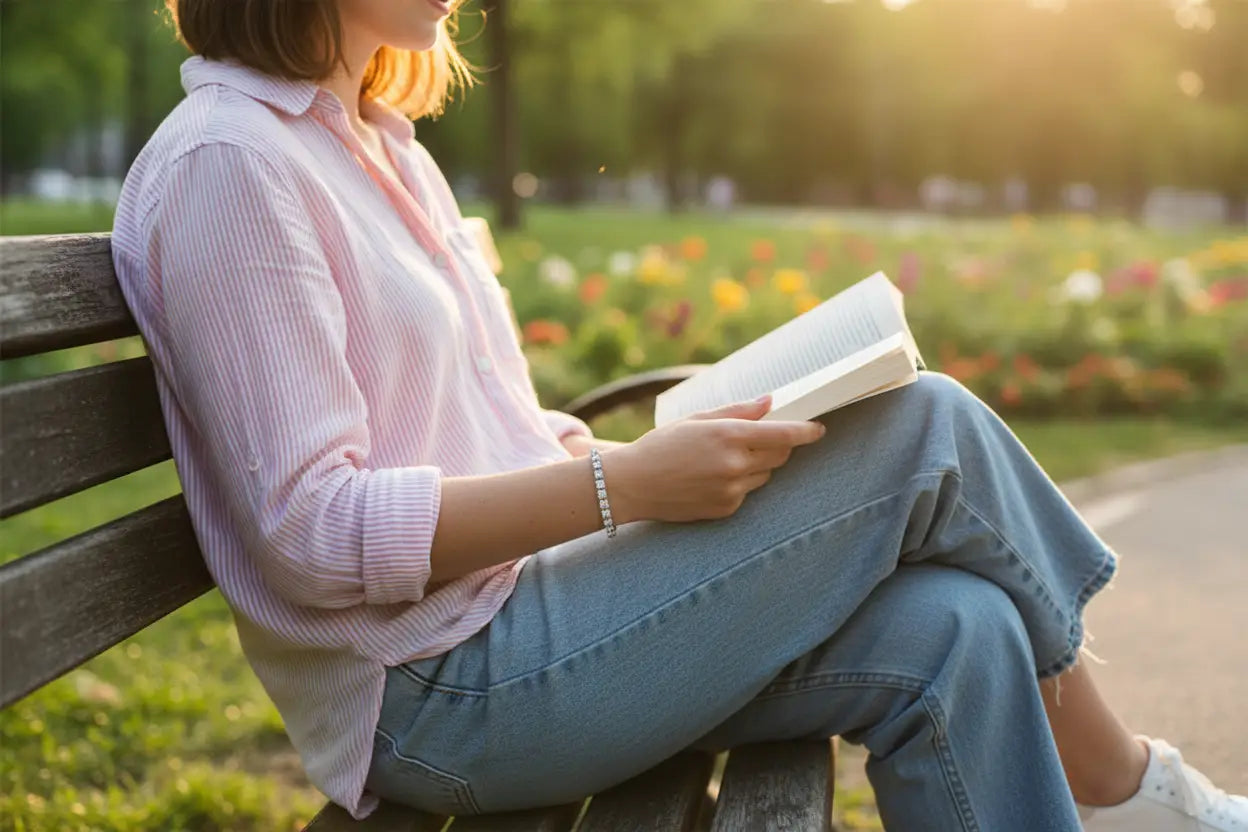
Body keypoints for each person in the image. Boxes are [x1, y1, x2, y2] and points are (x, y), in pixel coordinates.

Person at [108, 1, 1247, 829]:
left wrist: (659, 454)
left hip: (529, 607)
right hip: (436, 691)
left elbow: (490, 423)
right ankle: (1123, 781)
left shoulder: (376, 144)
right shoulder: (231, 166)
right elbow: (309, 533)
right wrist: (626, 488)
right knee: (924, 427)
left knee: (958, 629)